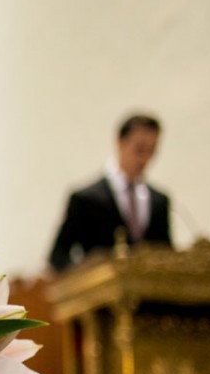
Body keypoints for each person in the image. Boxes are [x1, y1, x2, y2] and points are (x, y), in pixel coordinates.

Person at [48, 111, 172, 272]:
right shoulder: (85, 199)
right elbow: (58, 255)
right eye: (140, 149)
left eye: (152, 150)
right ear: (120, 143)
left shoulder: (159, 201)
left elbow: (167, 254)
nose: (145, 158)